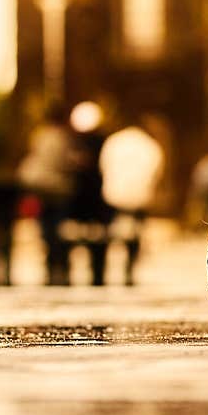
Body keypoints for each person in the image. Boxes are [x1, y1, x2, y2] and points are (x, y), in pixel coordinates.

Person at [99, 121, 164, 286]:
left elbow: (104, 165)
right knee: (135, 234)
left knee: (112, 232)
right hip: (139, 194)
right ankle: (129, 268)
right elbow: (156, 170)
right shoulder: (149, 146)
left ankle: (105, 269)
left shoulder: (114, 142)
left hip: (114, 193)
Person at [17, 100, 74, 285]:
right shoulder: (62, 138)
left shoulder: (40, 135)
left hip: (41, 187)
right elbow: (64, 162)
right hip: (57, 187)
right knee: (57, 225)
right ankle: (58, 260)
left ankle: (50, 256)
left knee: (46, 225)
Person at [68, 101, 113, 286]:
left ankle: (95, 274)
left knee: (92, 241)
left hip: (89, 201)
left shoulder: (75, 143)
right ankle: (97, 275)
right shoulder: (103, 142)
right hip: (94, 201)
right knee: (96, 242)